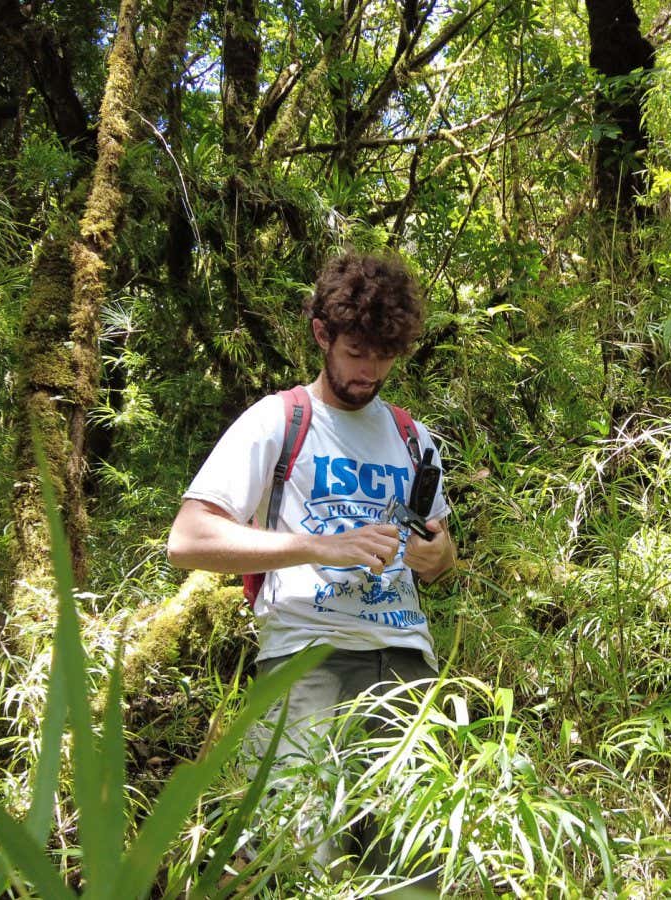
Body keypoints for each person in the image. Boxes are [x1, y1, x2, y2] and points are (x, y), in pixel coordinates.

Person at [166, 251, 456, 876]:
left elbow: (441, 553)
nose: (370, 370)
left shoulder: (412, 437)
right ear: (323, 334)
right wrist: (320, 545)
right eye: (357, 352)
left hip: (405, 665)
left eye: (384, 355)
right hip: (305, 661)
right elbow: (187, 539)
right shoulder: (280, 420)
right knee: (295, 860)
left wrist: (436, 554)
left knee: (410, 870)